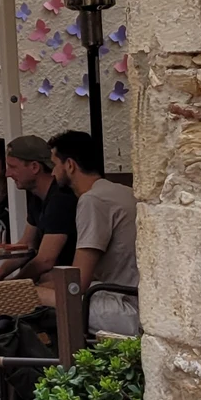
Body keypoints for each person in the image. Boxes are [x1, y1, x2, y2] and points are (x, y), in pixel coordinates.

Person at [39, 130, 139, 335]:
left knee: (25, 296)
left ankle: (56, 364)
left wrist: (31, 288)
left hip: (125, 307)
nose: (52, 173)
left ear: (69, 165)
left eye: (54, 165)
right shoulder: (122, 191)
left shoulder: (92, 200)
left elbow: (78, 283)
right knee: (43, 286)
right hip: (139, 298)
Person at [0, 136, 78, 283]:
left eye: (13, 167)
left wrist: (14, 285)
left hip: (72, 283)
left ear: (34, 167)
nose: (7, 174)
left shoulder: (60, 199)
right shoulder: (37, 196)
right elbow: (26, 244)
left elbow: (45, 259)